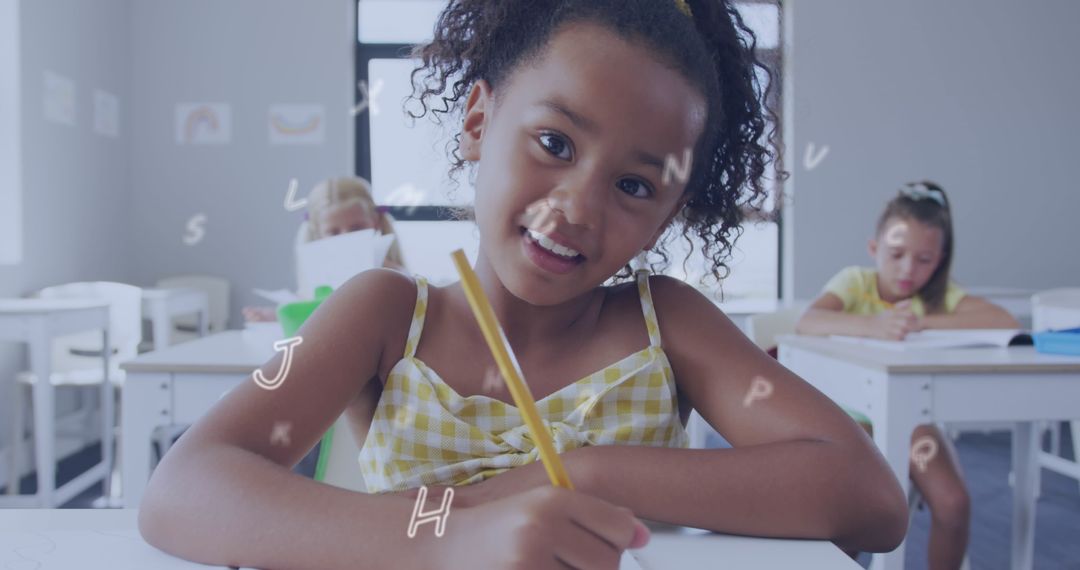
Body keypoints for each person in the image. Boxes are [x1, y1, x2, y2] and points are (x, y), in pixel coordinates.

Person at [140, 2, 909, 568]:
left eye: (636, 187)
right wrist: (452, 535)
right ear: (478, 120)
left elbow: (871, 503)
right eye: (553, 142)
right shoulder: (383, 311)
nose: (575, 207)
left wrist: (579, 471)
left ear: (672, 214)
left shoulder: (664, 325)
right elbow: (183, 488)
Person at [796, 181, 1019, 570]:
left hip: (910, 427)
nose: (907, 270)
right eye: (896, 254)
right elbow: (809, 321)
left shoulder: (936, 297)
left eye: (924, 259)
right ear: (874, 248)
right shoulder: (855, 282)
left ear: (940, 259)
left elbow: (1004, 321)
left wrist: (920, 322)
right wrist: (874, 325)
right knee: (846, 512)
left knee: (953, 503)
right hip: (848, 423)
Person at [242, 176, 406, 322]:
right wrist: (276, 315)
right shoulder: (317, 282)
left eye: (357, 227)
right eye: (333, 232)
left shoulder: (395, 274)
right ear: (318, 233)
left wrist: (393, 273)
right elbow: (307, 311)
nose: (345, 237)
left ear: (375, 222)